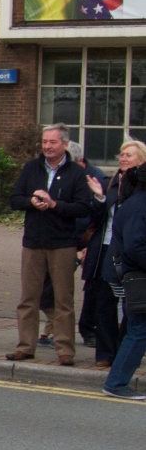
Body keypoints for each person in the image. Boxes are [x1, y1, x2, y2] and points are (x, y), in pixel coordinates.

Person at [7, 124, 98, 366]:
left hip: (62, 244)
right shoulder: (31, 168)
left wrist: (55, 204)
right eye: (44, 142)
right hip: (33, 242)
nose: (47, 146)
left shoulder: (75, 173)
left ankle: (65, 349)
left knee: (63, 300)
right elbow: (14, 199)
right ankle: (25, 346)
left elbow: (83, 208)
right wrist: (31, 202)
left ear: (65, 144)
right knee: (28, 298)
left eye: (53, 142)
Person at [83, 141, 146, 369]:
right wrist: (100, 198)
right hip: (106, 249)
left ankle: (124, 353)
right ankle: (105, 354)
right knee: (105, 304)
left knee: (132, 306)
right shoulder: (110, 183)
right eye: (121, 154)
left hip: (129, 252)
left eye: (128, 155)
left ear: (142, 160)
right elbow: (96, 219)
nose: (123, 158)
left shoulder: (140, 187)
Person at [102, 160, 146, 399]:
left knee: (137, 330)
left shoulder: (135, 203)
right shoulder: (139, 206)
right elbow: (134, 247)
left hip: (135, 276)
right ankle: (116, 382)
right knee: (138, 331)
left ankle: (117, 381)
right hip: (137, 277)